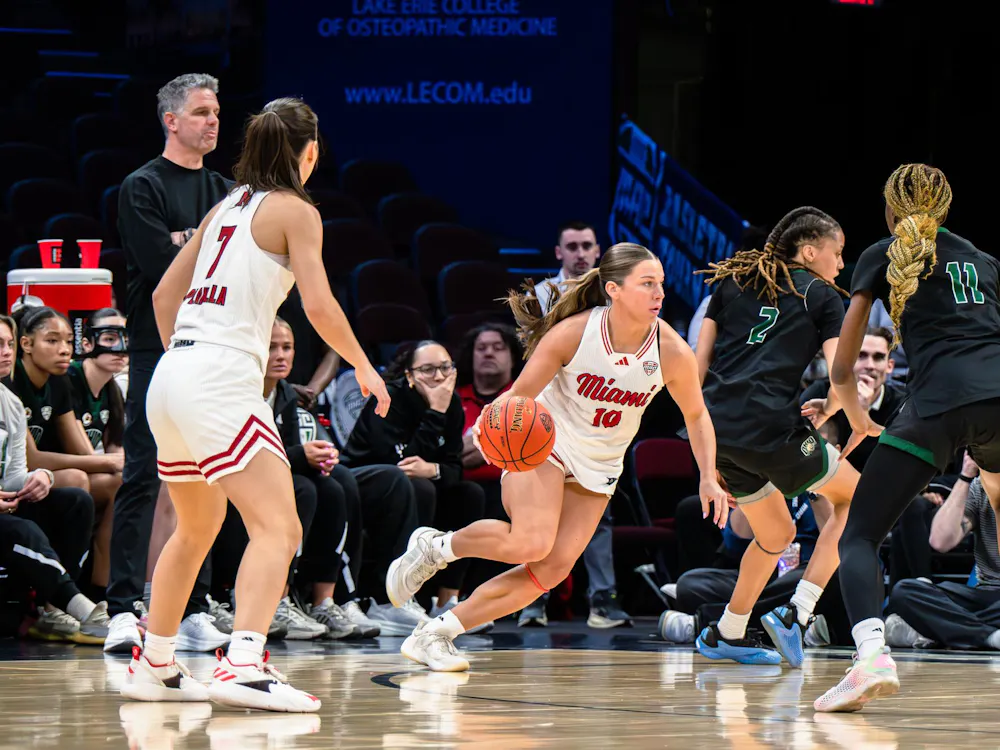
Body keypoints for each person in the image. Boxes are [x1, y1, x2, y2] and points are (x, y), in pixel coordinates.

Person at [119, 97, 389, 711]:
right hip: (217, 376)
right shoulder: (297, 210)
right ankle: (242, 663)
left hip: (174, 372)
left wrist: (186, 361)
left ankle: (155, 663)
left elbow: (165, 294)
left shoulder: (224, 206)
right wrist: (366, 367)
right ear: (310, 152)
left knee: (197, 527)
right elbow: (318, 307)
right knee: (279, 524)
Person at [384, 242, 729, 672]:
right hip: (545, 442)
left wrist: (708, 477)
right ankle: (437, 547)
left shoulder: (671, 351)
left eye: (660, 283)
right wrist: (493, 431)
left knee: (550, 570)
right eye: (646, 284)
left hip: (601, 463)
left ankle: (436, 633)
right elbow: (519, 397)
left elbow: (696, 414)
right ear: (614, 289)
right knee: (531, 541)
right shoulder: (575, 333)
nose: (659, 293)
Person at [817, 164, 1000, 712]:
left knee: (859, 536)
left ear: (892, 209)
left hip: (935, 408)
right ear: (946, 209)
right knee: (994, 489)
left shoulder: (880, 253)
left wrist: (860, 419)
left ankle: (871, 656)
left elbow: (844, 367)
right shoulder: (986, 261)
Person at [693, 206, 859, 668]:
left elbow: (696, 368)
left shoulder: (731, 283)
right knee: (858, 501)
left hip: (719, 431)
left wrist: (705, 453)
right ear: (810, 252)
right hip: (770, 430)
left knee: (777, 533)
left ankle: (726, 630)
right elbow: (841, 371)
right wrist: (836, 408)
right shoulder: (823, 295)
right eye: (838, 252)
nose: (841, 264)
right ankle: (797, 612)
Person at [106, 73, 232, 655]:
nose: (212, 120)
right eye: (201, 112)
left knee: (207, 478)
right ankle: (122, 607)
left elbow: (228, 270)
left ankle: (193, 608)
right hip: (159, 345)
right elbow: (163, 265)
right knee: (142, 474)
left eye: (215, 112)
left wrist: (194, 244)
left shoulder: (229, 190)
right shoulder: (141, 186)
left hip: (215, 346)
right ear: (171, 120)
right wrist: (201, 246)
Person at [344, 340, 488, 625]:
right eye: (428, 369)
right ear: (409, 376)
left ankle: (446, 601)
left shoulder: (453, 403)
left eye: (445, 368)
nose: (438, 376)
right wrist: (434, 412)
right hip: (366, 483)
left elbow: (453, 467)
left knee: (469, 493)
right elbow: (401, 463)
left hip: (409, 482)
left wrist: (433, 468)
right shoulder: (389, 399)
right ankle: (388, 600)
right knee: (415, 485)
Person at [0, 314, 109, 643]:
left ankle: (53, 609)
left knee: (75, 501)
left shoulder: (11, 404)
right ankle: (85, 610)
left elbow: (16, 475)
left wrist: (43, 477)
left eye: (7, 344)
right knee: (24, 530)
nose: (5, 352)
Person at [885, 456, 1000, 650]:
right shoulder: (979, 487)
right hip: (983, 594)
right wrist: (965, 477)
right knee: (905, 592)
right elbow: (940, 541)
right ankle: (987, 636)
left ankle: (935, 630)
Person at [66, 308, 128, 600]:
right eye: (110, 338)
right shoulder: (70, 379)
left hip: (88, 475)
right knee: (118, 483)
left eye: (125, 339)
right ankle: (96, 590)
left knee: (135, 486)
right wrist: (116, 463)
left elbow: (116, 450)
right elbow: (84, 452)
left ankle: (111, 591)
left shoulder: (112, 389)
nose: (120, 348)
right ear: (87, 343)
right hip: (59, 474)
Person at [532, 221, 601, 313]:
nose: (581, 255)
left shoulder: (613, 291)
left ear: (597, 251)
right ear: (558, 252)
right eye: (572, 247)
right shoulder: (540, 293)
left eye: (587, 246)